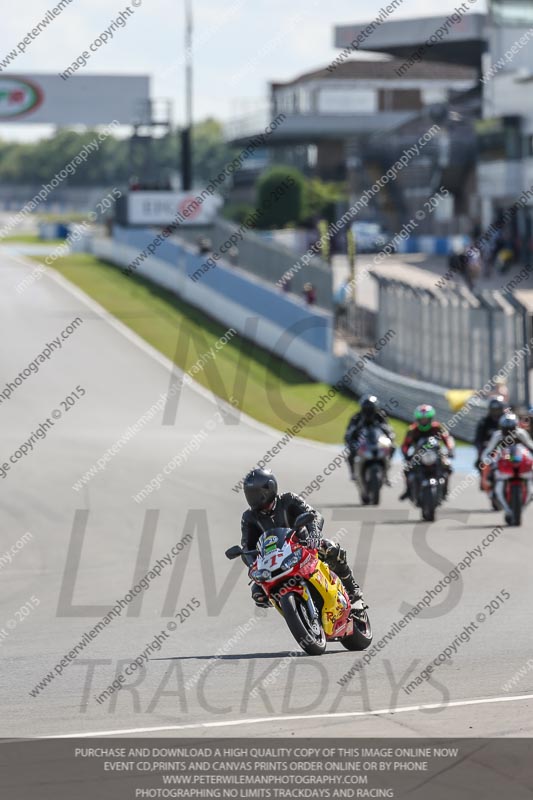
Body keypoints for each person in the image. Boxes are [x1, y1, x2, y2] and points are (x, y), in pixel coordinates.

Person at [240, 468, 364, 608]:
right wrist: (252, 566)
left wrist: (314, 534)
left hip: (304, 547)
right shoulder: (249, 517)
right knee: (258, 593)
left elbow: (313, 514)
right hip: (274, 560)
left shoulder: (288, 499)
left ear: (270, 488)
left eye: (256, 493)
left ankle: (353, 591)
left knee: (330, 548)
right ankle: (297, 610)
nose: (253, 498)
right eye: (249, 494)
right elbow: (246, 547)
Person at [480, 413, 533, 521]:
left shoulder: (521, 434)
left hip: (519, 460)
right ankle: (489, 486)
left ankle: (519, 507)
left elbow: (531, 446)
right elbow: (488, 451)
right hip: (503, 460)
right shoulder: (497, 436)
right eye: (506, 429)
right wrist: (488, 462)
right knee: (488, 469)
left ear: (515, 427)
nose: (508, 432)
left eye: (511, 429)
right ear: (502, 428)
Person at [399, 404, 455, 501]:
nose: (424, 421)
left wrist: (450, 450)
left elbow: (447, 439)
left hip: (436, 454)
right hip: (418, 456)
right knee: (407, 469)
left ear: (430, 418)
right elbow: (405, 444)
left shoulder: (437, 428)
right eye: (422, 419)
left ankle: (445, 491)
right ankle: (408, 490)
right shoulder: (412, 430)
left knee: (448, 467)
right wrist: (406, 455)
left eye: (426, 419)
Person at [344, 395, 395, 483]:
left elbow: (388, 428)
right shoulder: (356, 417)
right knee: (351, 453)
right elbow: (349, 432)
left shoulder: (380, 416)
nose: (368, 411)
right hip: (361, 442)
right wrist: (350, 439)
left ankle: (386, 473)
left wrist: (390, 437)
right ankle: (353, 472)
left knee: (393, 448)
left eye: (370, 408)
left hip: (377, 440)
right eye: (366, 408)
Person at [474, 396, 507, 471]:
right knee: (482, 464)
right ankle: (485, 480)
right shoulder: (484, 422)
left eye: (497, 410)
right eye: (494, 410)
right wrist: (481, 450)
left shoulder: (507, 421)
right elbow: (478, 440)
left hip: (505, 452)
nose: (496, 413)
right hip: (489, 451)